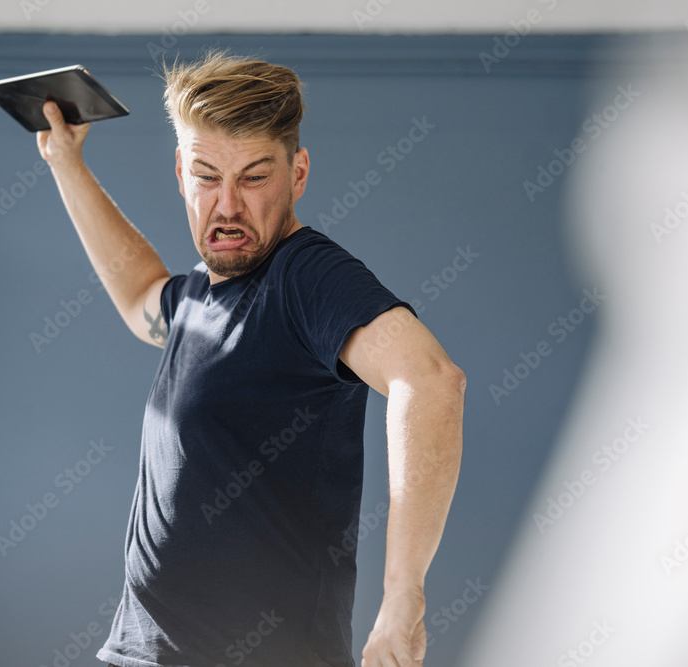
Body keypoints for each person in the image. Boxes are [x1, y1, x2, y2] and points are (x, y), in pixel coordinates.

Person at [36, 49, 465, 667]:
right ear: (181, 172)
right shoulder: (200, 300)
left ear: (298, 174)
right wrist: (66, 164)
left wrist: (403, 599)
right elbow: (138, 294)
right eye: (209, 176)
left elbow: (430, 382)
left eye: (255, 177)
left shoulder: (305, 277)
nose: (229, 205)